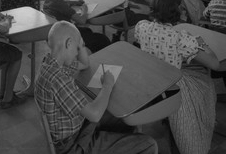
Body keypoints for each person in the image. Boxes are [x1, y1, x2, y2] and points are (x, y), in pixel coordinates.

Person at [34, 21, 158, 154]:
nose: (77, 53)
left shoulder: (50, 65)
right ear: (68, 44)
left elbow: (84, 64)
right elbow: (95, 114)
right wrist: (107, 85)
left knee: (122, 118)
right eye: (77, 49)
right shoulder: (58, 79)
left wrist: (80, 43)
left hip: (74, 129)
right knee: (149, 145)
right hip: (73, 145)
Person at [135, 0, 219, 154]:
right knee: (206, 83)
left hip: (151, 80)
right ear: (178, 9)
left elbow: (144, 39)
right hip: (172, 85)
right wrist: (202, 43)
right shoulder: (181, 38)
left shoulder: (141, 26)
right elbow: (215, 63)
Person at [42, 0, 110, 53]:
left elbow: (62, 3)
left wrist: (74, 2)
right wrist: (85, 10)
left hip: (57, 34)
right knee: (103, 39)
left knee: (87, 31)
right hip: (69, 36)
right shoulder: (60, 4)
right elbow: (81, 21)